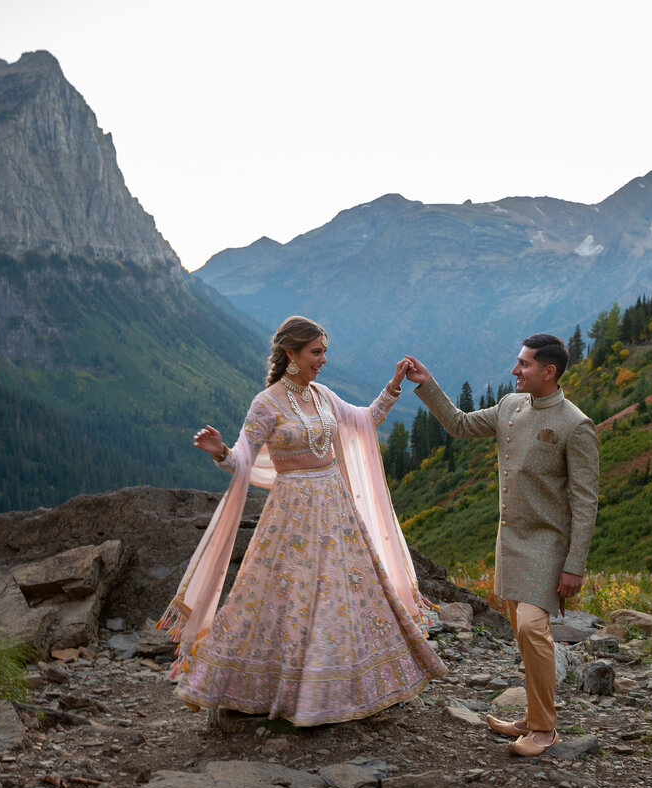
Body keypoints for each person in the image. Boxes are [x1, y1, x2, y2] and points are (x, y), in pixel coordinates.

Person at [158, 316, 446, 726]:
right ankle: (279, 689)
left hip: (336, 508)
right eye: (316, 352)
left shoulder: (323, 395)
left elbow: (365, 419)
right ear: (291, 354)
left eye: (324, 351)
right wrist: (220, 450)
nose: (323, 360)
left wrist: (395, 383)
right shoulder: (266, 403)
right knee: (286, 600)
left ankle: (351, 686)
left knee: (343, 596)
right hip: (291, 516)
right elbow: (242, 459)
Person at [404, 334, 598, 756]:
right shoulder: (510, 407)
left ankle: (545, 731)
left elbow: (585, 501)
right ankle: (531, 717)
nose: (515, 371)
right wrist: (426, 383)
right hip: (510, 540)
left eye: (524, 364)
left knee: (532, 627)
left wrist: (575, 565)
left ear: (549, 371)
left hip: (549, 544)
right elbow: (458, 424)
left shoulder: (575, 424)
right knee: (522, 635)